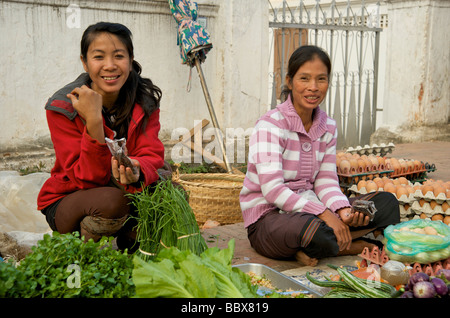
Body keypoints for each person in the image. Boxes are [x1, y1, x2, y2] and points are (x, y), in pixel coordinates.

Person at [239, 45, 400, 266]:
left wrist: (342, 211)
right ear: (290, 81)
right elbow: (273, 191)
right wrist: (325, 214)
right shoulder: (270, 125)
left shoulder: (328, 126)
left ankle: (317, 246)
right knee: (310, 229)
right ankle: (346, 244)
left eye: (321, 79)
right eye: (304, 78)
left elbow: (325, 181)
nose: (313, 87)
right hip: (269, 219)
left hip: (311, 210)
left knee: (387, 203)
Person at [37, 22, 165, 250]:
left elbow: (151, 154)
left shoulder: (143, 101)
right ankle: (85, 258)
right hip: (72, 199)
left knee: (167, 193)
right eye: (98, 57)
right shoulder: (62, 107)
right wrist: (94, 120)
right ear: (84, 63)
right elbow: (86, 179)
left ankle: (133, 254)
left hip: (123, 191)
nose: (110, 66)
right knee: (111, 202)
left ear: (130, 59)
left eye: (118, 56)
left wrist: (137, 169)